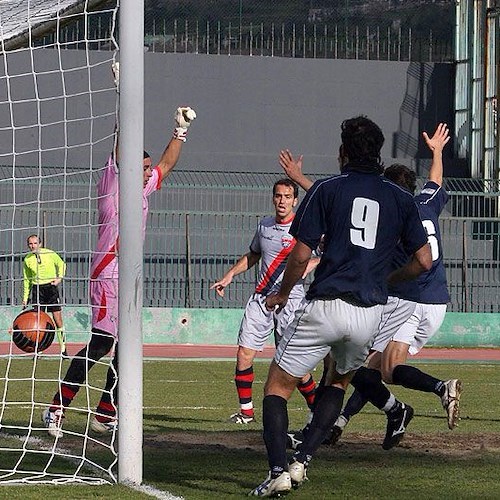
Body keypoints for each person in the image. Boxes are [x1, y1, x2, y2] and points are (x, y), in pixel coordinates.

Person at [249, 116, 432, 497]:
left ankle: (278, 470)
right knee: (338, 381)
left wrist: (282, 293)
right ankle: (303, 461)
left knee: (277, 387)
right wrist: (389, 279)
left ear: (343, 152)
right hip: (369, 313)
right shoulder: (400, 197)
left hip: (326, 303)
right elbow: (424, 261)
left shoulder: (328, 188)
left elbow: (299, 256)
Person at [41, 100, 197, 438]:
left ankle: (106, 413)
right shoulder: (113, 184)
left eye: (146, 167)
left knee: (127, 347)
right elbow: (119, 140)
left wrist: (181, 130)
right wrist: (122, 95)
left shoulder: (143, 188)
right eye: (140, 166)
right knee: (101, 344)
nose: (146, 172)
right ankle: (56, 409)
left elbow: (167, 164)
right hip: (106, 274)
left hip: (129, 278)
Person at [331, 122, 462, 442]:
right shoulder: (426, 203)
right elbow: (436, 180)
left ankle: (440, 388)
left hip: (406, 300)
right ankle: (341, 422)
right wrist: (437, 152)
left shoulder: (392, 215)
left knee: (369, 367)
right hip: (437, 302)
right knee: (375, 367)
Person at [211, 179, 319, 424]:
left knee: (295, 364)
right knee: (244, 354)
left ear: (295, 200)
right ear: (273, 198)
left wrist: (308, 265)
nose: (282, 201)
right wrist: (229, 275)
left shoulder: (304, 228)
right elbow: (254, 255)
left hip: (290, 301)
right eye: (278, 196)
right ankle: (246, 413)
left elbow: (325, 256)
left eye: (287, 196)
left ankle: (317, 409)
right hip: (261, 298)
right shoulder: (265, 226)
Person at [23, 234, 66, 354]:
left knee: (58, 320)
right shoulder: (27, 259)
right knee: (38, 322)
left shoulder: (50, 253)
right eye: (30, 244)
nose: (33, 246)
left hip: (50, 288)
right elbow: (27, 280)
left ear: (40, 244)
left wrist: (59, 278)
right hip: (37, 290)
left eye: (35, 243)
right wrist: (25, 298)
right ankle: (39, 349)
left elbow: (62, 264)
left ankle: (63, 349)